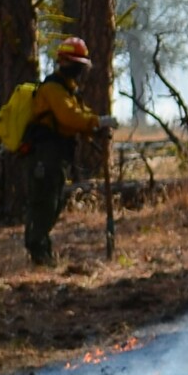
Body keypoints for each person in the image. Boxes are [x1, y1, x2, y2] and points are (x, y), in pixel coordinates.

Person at [24, 38, 111, 267]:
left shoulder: (67, 89)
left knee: (54, 201)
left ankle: (42, 251)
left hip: (57, 154)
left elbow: (78, 114)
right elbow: (69, 117)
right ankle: (39, 253)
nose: (79, 69)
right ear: (65, 63)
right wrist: (96, 122)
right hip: (45, 154)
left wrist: (95, 125)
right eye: (76, 63)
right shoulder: (53, 89)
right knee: (45, 203)